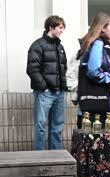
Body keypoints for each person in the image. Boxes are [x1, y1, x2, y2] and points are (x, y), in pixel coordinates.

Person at [26, 15, 67, 150]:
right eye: (60, 28)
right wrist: (44, 87)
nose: (62, 31)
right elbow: (32, 69)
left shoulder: (60, 46)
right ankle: (39, 157)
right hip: (45, 93)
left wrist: (63, 88)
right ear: (51, 27)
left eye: (63, 28)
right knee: (40, 126)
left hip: (59, 93)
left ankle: (56, 156)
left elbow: (63, 68)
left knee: (57, 126)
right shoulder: (37, 45)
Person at [77, 12, 110, 126]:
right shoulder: (98, 44)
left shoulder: (91, 43)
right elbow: (93, 71)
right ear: (103, 28)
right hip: (97, 105)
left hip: (88, 104)